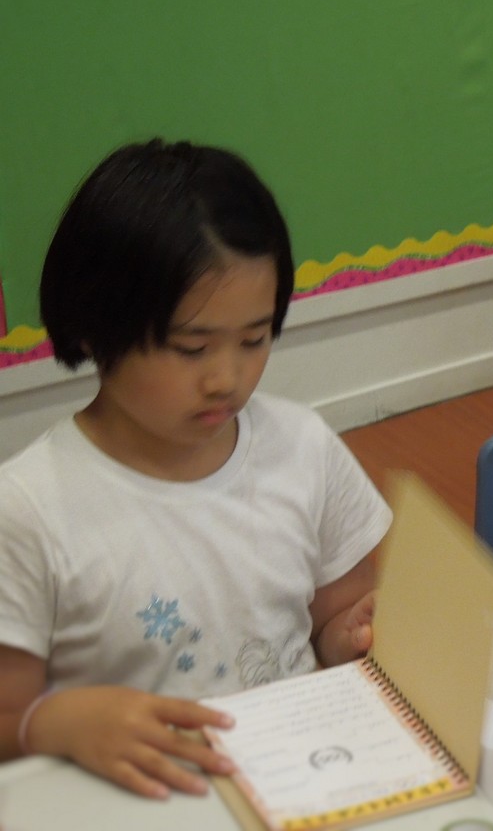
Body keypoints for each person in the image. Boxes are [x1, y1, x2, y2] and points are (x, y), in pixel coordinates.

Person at [0, 139, 392, 799]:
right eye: (191, 347)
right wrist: (58, 722)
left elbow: (335, 624)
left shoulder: (303, 448)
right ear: (95, 327)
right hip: (137, 803)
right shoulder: (28, 510)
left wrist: (352, 636)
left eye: (254, 339)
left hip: (297, 782)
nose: (226, 378)